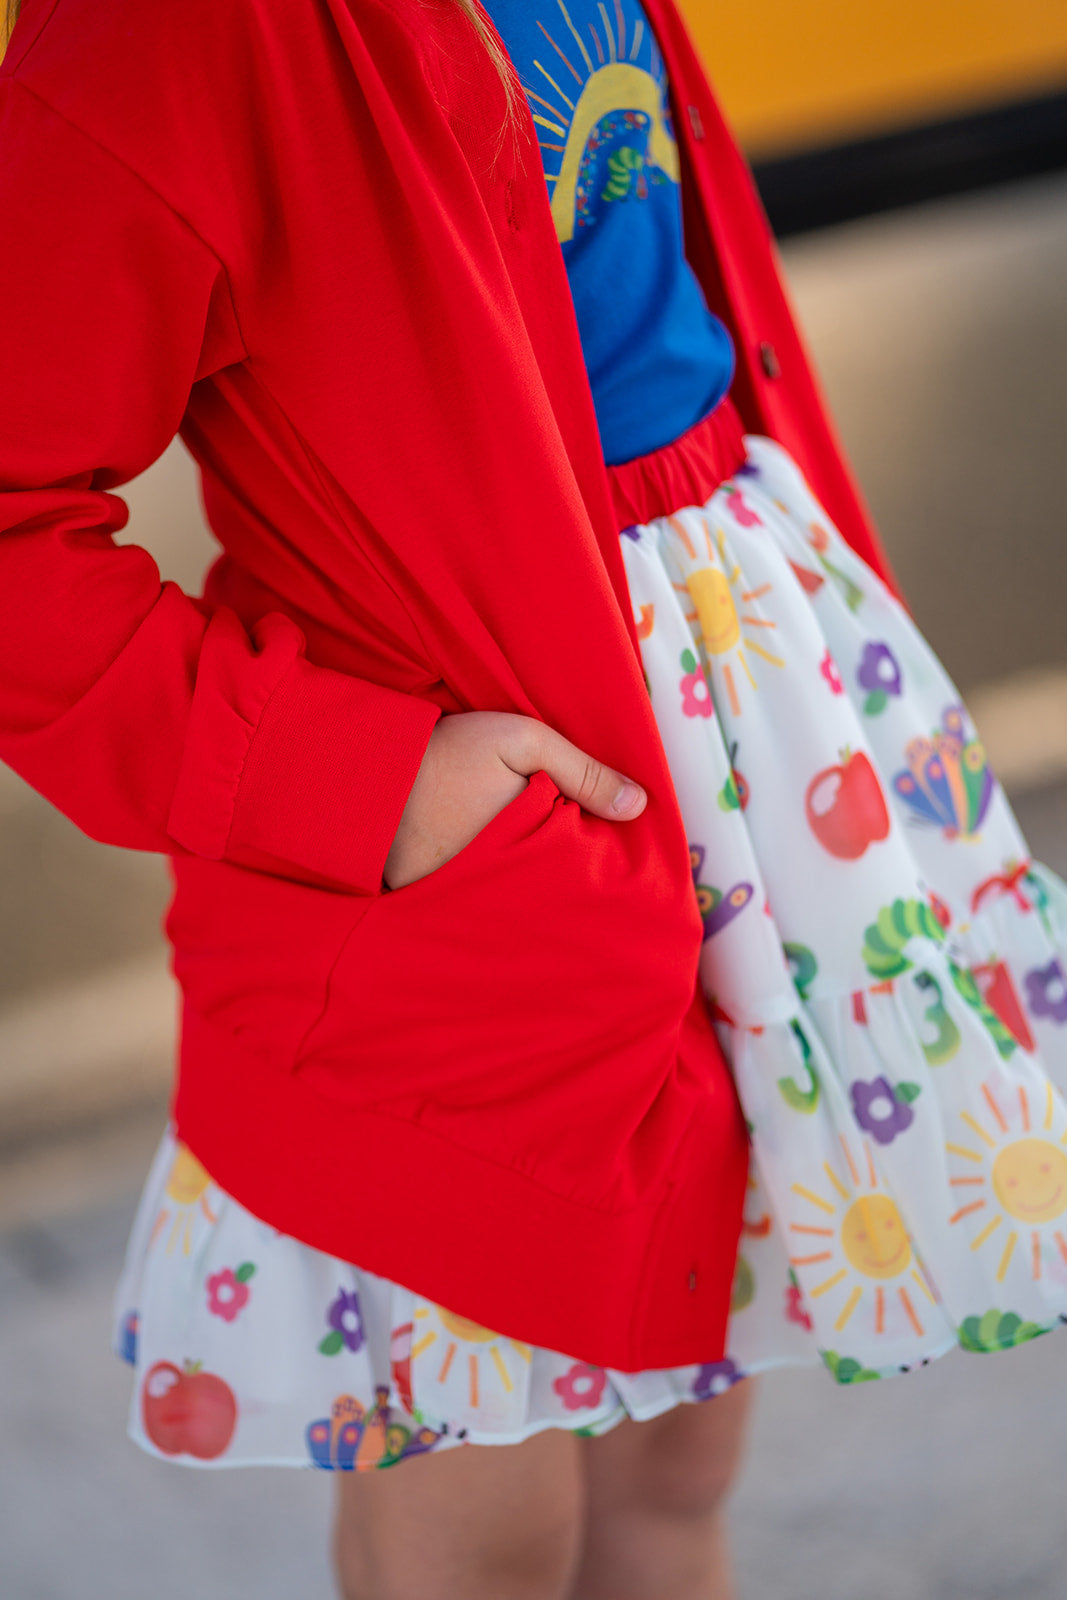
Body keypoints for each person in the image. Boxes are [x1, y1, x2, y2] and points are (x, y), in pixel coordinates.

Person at [3, 0, 1067, 1596]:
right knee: (481, 1533)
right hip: (462, 871)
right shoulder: (182, 30)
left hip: (761, 764)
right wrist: (357, 781)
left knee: (675, 1475)